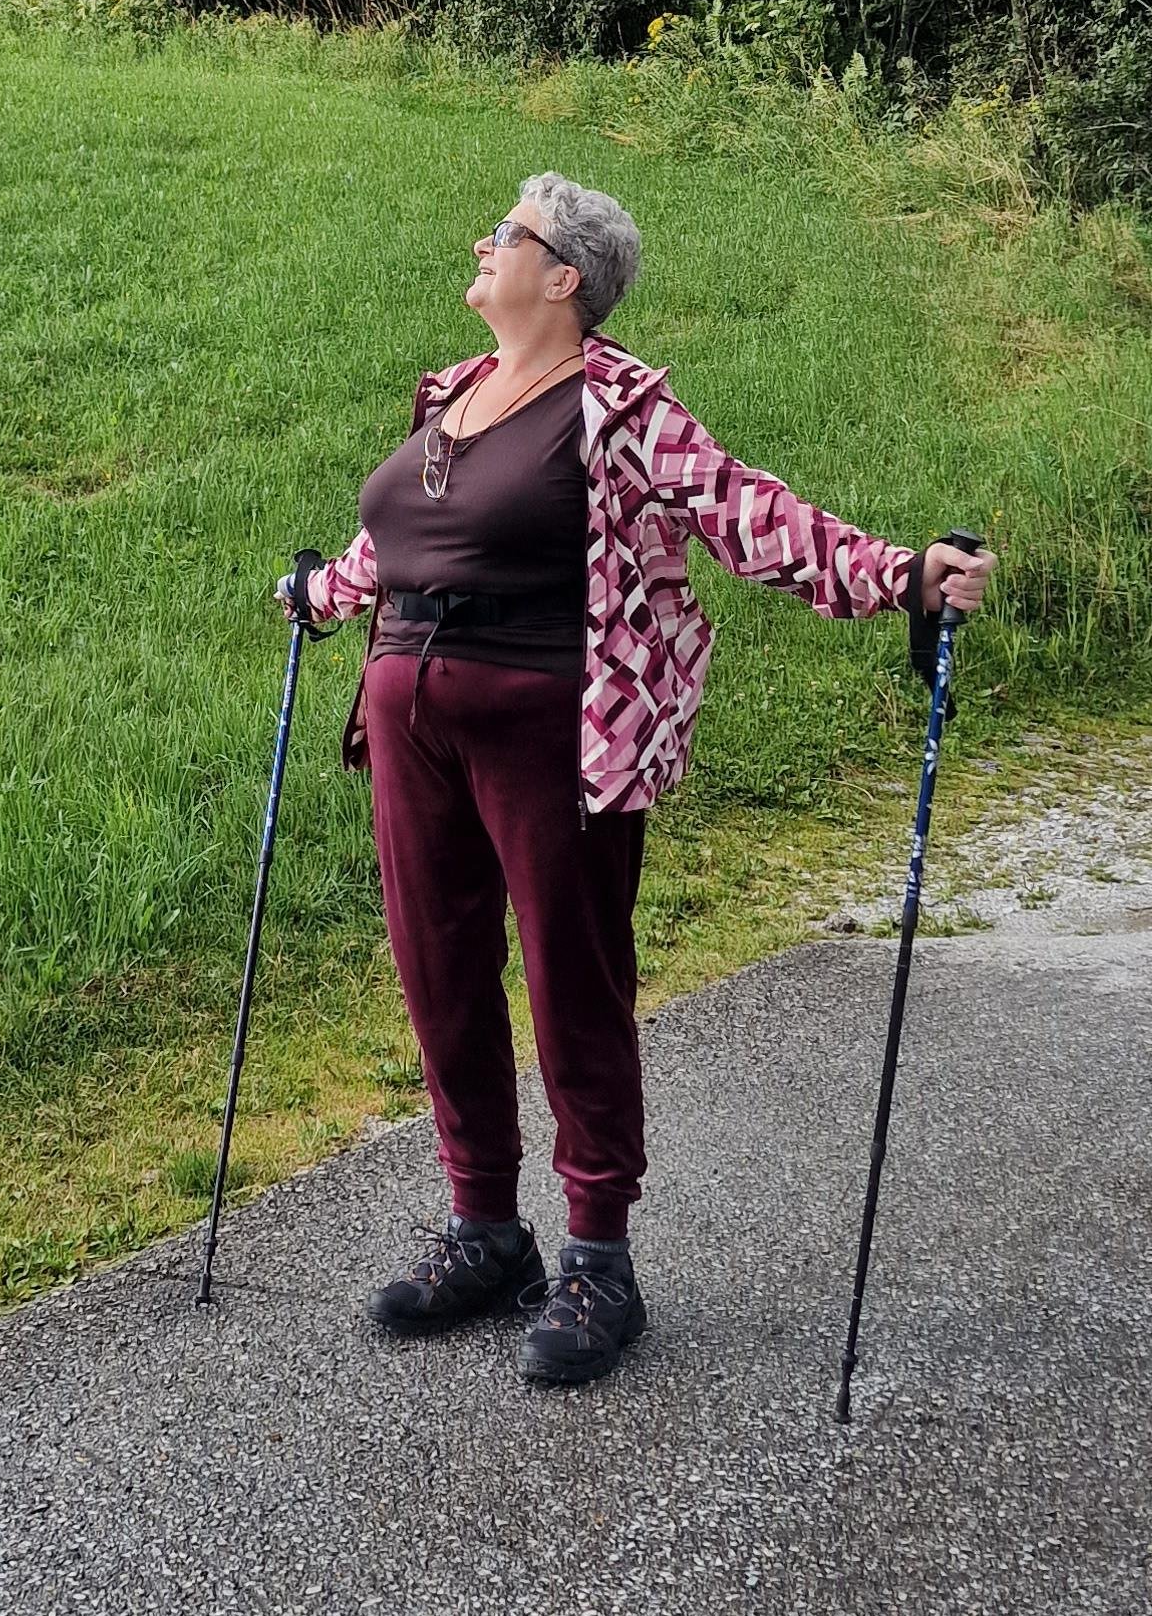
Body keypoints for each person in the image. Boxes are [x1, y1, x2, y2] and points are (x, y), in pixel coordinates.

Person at [278, 173, 991, 1392]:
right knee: (440, 971)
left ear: (564, 276)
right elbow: (393, 542)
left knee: (575, 982)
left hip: (554, 729)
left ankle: (599, 1260)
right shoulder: (455, 392)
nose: (483, 242)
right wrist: (319, 595)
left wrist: (900, 574)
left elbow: (748, 513)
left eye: (506, 233)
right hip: (410, 721)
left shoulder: (619, 407)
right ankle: (485, 1231)